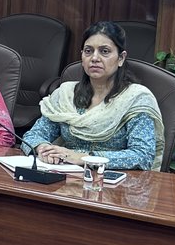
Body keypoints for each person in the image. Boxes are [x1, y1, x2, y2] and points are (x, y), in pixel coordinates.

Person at [23, 22, 165, 170]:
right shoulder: (66, 95)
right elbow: (33, 136)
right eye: (88, 51)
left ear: (121, 58)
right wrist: (43, 149)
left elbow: (143, 156)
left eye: (104, 51)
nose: (94, 58)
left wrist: (86, 158)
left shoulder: (135, 99)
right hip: (66, 174)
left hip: (115, 179)